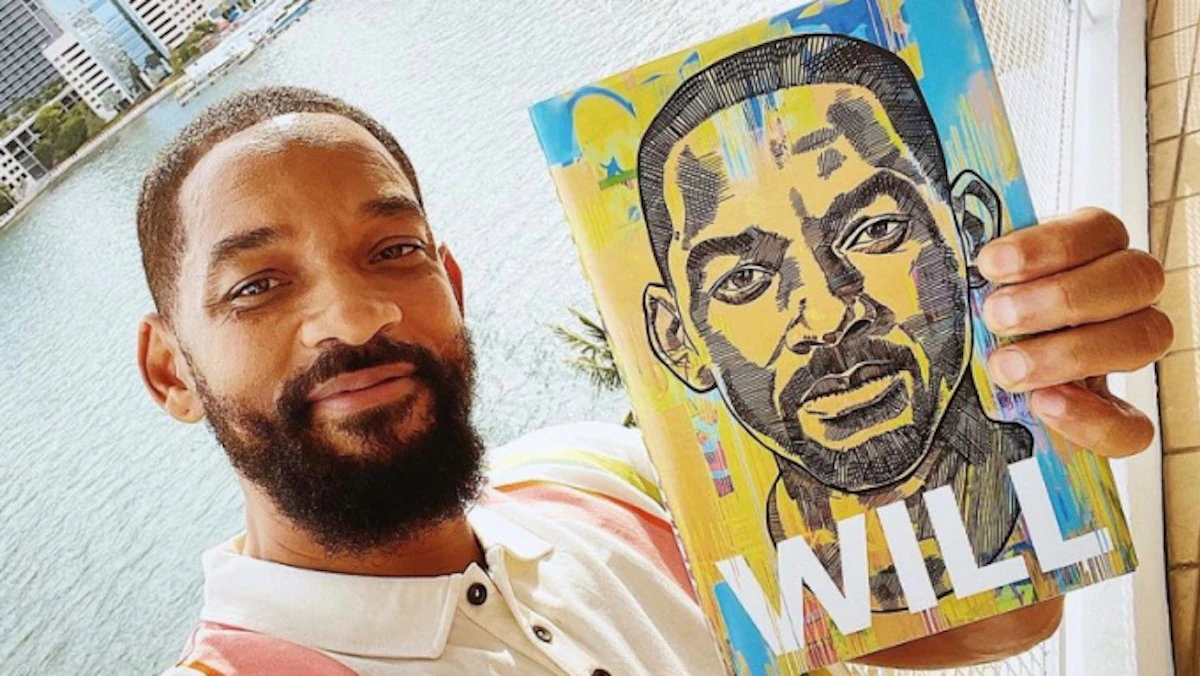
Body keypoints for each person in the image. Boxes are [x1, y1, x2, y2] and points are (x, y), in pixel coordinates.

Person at [139, 86, 1170, 675]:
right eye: (257, 285)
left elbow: (1007, 617)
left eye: (393, 251)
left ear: (449, 282)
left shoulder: (602, 483)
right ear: (169, 369)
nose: (355, 315)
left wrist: (1021, 397)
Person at [638, 34, 1031, 610]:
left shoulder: (1066, 473)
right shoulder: (689, 588)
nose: (827, 317)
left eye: (876, 231)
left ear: (968, 232)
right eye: (743, 280)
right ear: (679, 340)